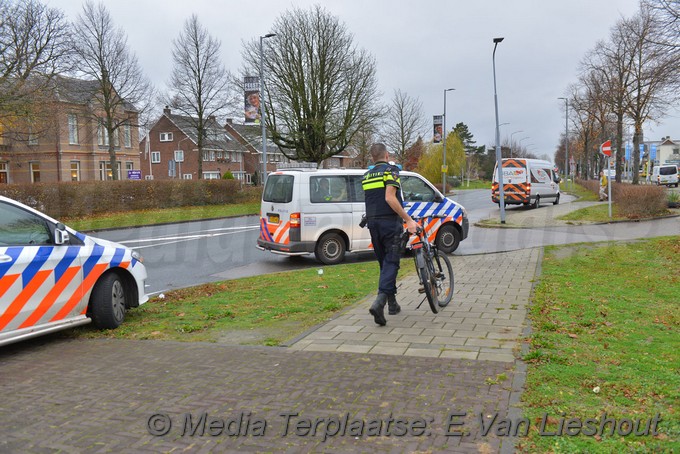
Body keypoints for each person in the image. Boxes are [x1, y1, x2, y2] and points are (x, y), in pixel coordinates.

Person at [362, 143, 418, 326]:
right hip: (389, 223)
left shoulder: (367, 175)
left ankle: (392, 304)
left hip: (373, 224)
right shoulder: (391, 171)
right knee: (392, 262)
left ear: (372, 158)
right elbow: (389, 198)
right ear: (387, 155)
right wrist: (408, 220)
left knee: (385, 264)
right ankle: (380, 303)